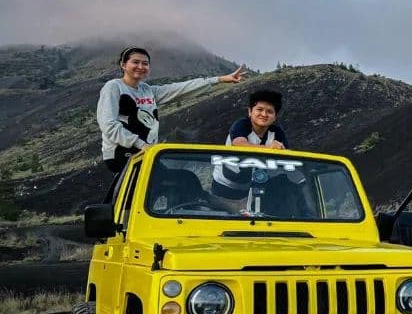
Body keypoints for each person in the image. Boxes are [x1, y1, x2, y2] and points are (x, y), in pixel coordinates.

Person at [96, 45, 245, 173]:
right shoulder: (114, 87)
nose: (141, 67)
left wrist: (218, 79)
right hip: (121, 153)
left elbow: (179, 89)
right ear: (123, 64)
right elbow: (108, 124)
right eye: (135, 62)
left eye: (145, 63)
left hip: (145, 152)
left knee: (181, 180)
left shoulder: (147, 90)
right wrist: (141, 145)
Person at [212, 90, 290, 201]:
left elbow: (286, 157)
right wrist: (269, 149)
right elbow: (239, 144)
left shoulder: (277, 132)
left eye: (269, 111)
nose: (264, 114)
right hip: (224, 184)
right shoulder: (241, 125)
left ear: (275, 116)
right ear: (250, 112)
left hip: (253, 187)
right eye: (259, 109)